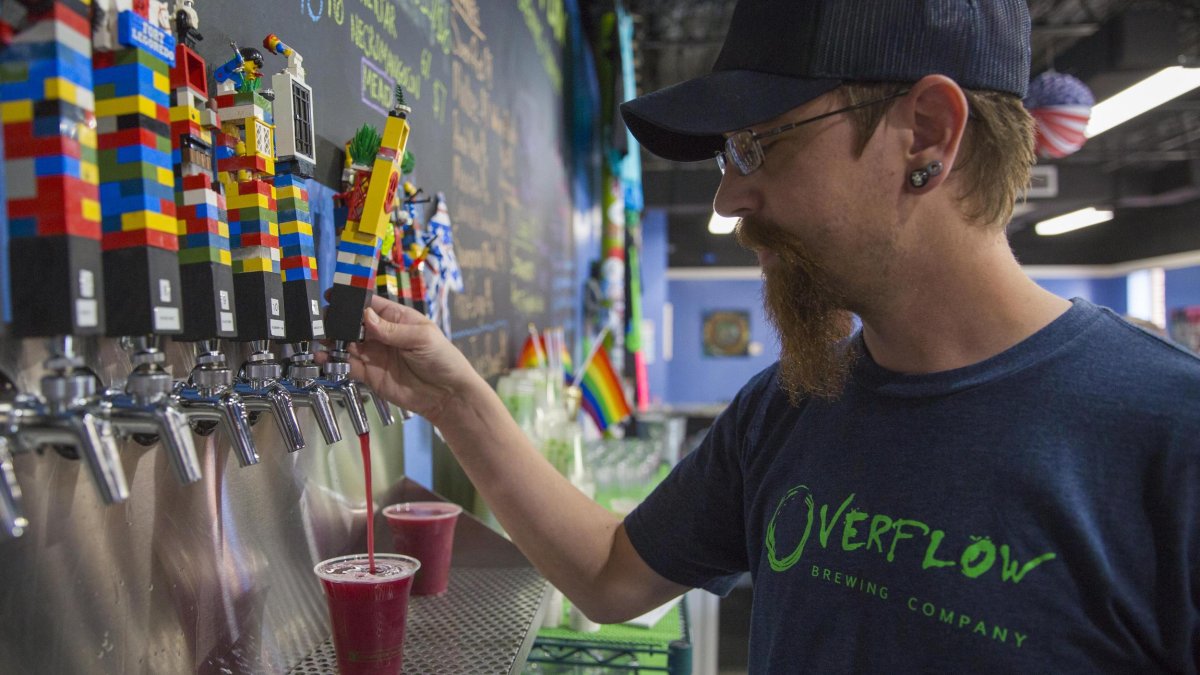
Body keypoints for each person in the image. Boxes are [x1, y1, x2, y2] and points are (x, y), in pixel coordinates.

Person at [338, 0, 1200, 671]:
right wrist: (454, 397)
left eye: (760, 144)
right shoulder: (789, 408)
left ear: (927, 136)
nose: (727, 201)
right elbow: (610, 571)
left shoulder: (1168, 439)